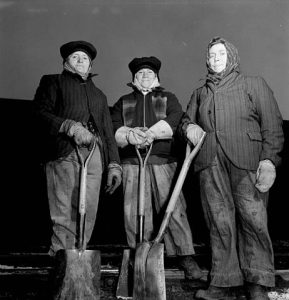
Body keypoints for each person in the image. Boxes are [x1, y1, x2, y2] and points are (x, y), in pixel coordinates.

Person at [180, 36, 284, 300]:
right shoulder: (200, 92)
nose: (216, 59)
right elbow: (185, 120)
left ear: (232, 58)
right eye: (212, 55)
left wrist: (269, 160)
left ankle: (258, 282)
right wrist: (188, 126)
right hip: (210, 163)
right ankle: (224, 283)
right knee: (218, 222)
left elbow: (272, 125)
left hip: (246, 161)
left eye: (221, 55)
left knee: (253, 220)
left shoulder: (253, 84)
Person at [110, 56, 203, 280]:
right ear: (133, 78)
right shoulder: (123, 101)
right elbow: (112, 125)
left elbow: (175, 117)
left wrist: (153, 132)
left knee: (174, 209)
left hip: (162, 160)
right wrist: (129, 135)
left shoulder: (167, 98)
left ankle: (185, 257)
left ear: (156, 77)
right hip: (133, 162)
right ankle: (138, 256)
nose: (144, 76)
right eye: (140, 73)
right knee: (134, 211)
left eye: (149, 73)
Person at [33, 40, 122, 255]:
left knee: (87, 211)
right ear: (66, 62)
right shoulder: (53, 82)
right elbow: (39, 113)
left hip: (94, 156)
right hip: (65, 152)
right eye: (75, 57)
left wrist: (114, 164)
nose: (80, 60)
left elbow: (108, 133)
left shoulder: (99, 95)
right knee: (64, 212)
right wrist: (68, 125)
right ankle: (62, 262)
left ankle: (79, 260)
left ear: (90, 66)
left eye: (85, 58)